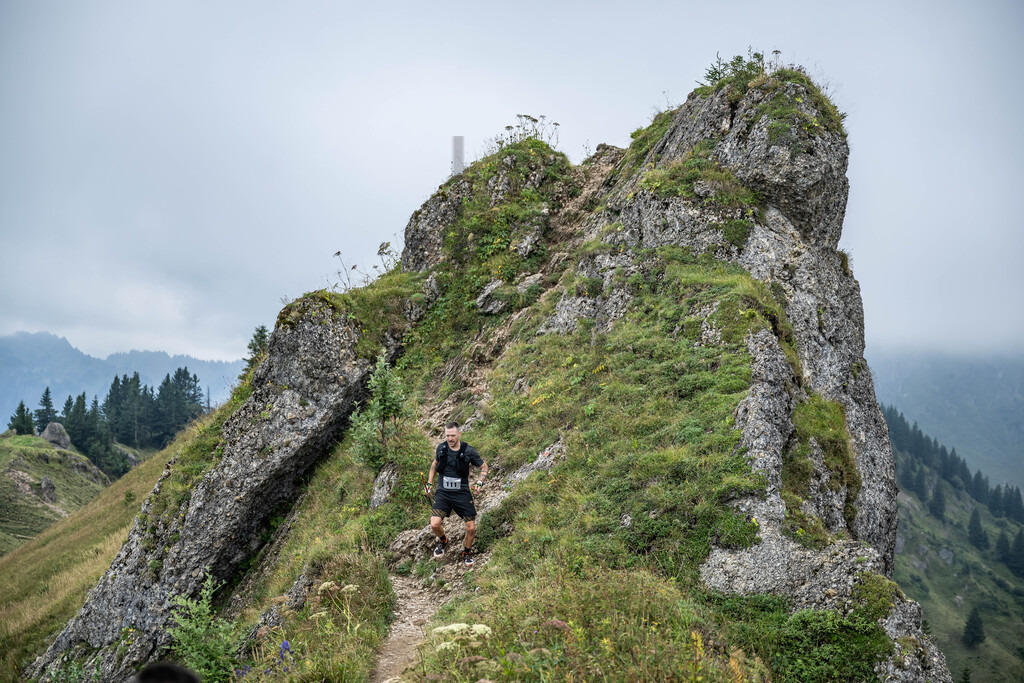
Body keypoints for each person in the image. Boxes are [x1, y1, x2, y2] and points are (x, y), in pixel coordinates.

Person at [424, 421, 488, 566]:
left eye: (453, 435)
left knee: (471, 527)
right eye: (447, 436)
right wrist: (429, 483)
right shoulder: (441, 448)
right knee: (434, 524)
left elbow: (484, 467)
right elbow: (434, 465)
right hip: (443, 493)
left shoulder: (468, 451)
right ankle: (443, 540)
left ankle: (466, 552)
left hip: (462, 494)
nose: (450, 439)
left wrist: (479, 482)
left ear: (459, 434)